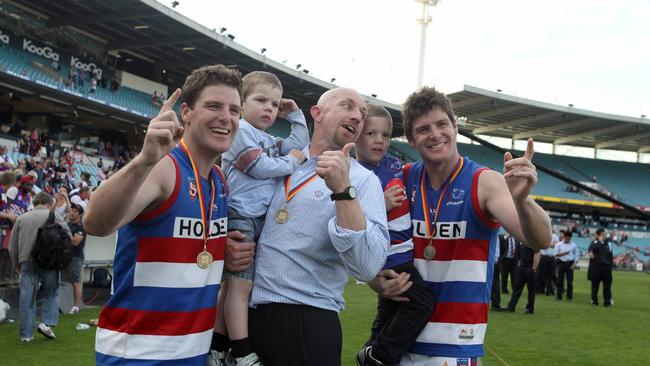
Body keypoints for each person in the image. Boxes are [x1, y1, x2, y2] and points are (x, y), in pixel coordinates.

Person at [369, 87, 551, 366]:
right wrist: (373, 279)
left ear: (455, 127)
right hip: (399, 342)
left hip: (453, 346)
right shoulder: (401, 179)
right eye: (423, 129)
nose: (435, 134)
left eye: (442, 124)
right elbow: (362, 234)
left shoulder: (484, 182)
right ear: (411, 139)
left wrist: (523, 200)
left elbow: (539, 239)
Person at [84, 65, 246, 365]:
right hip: (137, 355)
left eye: (234, 110)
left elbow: (189, 254)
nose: (226, 117)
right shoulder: (164, 167)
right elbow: (94, 222)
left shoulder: (220, 181)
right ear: (186, 112)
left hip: (192, 354)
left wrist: (227, 252)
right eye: (214, 106)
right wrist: (144, 160)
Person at [238, 87, 388, 366]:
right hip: (244, 316)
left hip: (305, 322)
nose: (357, 116)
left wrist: (343, 191)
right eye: (348, 106)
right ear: (317, 113)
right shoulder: (277, 163)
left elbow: (368, 266)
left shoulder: (362, 180)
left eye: (362, 113)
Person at [214, 71, 308, 365]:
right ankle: (241, 352)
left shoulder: (266, 137)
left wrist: (296, 116)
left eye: (275, 104)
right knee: (240, 287)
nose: (269, 108)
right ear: (241, 104)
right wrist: (292, 162)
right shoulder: (240, 130)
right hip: (241, 215)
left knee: (231, 287)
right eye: (261, 100)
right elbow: (258, 166)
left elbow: (300, 143)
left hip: (258, 218)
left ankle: (217, 347)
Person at [354, 104, 434, 366]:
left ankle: (369, 350)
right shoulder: (353, 174)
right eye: (371, 134)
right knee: (420, 304)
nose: (379, 141)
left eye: (385, 135)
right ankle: (380, 354)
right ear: (355, 135)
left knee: (391, 307)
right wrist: (379, 203)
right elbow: (345, 217)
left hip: (404, 249)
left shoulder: (396, 165)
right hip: (390, 255)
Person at [8, 192, 71, 342]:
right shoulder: (54, 215)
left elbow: (12, 246)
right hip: (49, 261)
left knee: (27, 299)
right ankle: (46, 323)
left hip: (26, 261)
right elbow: (67, 236)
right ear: (49, 204)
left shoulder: (22, 218)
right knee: (52, 292)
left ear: (34, 203)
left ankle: (26, 335)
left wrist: (17, 263)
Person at [505, 237, 540, 314]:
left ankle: (530, 309)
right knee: (517, 288)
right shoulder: (521, 242)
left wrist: (534, 268)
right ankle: (511, 306)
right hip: (521, 268)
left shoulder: (533, 242)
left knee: (531, 290)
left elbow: (537, 255)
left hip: (530, 268)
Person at [64, 203, 86, 314]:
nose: (72, 212)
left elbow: (75, 242)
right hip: (65, 256)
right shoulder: (68, 224)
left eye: (75, 211)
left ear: (80, 215)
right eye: (71, 210)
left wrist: (65, 234)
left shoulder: (80, 227)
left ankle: (76, 306)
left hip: (75, 258)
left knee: (76, 282)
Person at [588, 228, 613, 306]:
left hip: (607, 268)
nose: (604, 236)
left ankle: (607, 302)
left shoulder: (609, 243)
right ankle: (594, 301)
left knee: (607, 287)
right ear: (598, 235)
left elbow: (610, 255)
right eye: (603, 234)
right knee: (595, 286)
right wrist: (593, 258)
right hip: (597, 268)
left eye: (605, 234)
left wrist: (610, 265)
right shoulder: (594, 243)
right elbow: (590, 252)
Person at [555, 230, 579, 301]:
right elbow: (556, 254)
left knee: (570, 281)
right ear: (564, 237)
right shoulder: (559, 244)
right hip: (561, 263)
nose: (568, 239)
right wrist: (564, 253)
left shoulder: (574, 245)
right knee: (559, 280)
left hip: (570, 263)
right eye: (567, 238)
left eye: (570, 238)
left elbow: (576, 255)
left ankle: (569, 296)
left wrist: (575, 263)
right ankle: (559, 296)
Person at [537, 230, 559, 295]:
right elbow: (540, 244)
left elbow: (555, 245)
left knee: (551, 274)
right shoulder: (542, 235)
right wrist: (549, 244)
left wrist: (546, 244)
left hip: (551, 257)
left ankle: (551, 289)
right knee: (541, 274)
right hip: (543, 256)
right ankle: (543, 289)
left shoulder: (555, 236)